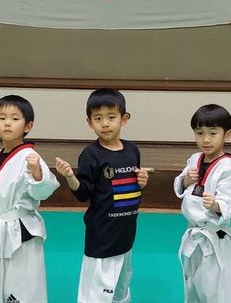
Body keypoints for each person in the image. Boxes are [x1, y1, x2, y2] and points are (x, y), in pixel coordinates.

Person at [54, 88, 148, 303]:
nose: (105, 123)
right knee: (96, 295)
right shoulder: (90, 155)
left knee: (121, 291)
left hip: (126, 235)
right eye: (98, 118)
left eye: (111, 117)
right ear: (90, 122)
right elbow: (83, 194)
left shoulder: (133, 151)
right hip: (101, 237)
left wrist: (142, 182)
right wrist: (70, 176)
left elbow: (132, 187)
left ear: (124, 119)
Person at [0, 95, 59, 303]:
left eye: (15, 118)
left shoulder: (30, 157)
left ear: (28, 125)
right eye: (2, 118)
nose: (7, 123)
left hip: (21, 231)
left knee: (23, 286)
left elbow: (43, 192)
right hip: (1, 228)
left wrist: (37, 173)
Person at [174, 104, 231, 303]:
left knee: (216, 287)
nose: (205, 139)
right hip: (193, 234)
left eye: (213, 133)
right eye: (200, 133)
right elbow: (181, 185)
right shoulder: (195, 159)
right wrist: (185, 180)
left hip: (215, 237)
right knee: (193, 284)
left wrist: (217, 205)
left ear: (227, 135)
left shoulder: (229, 169)